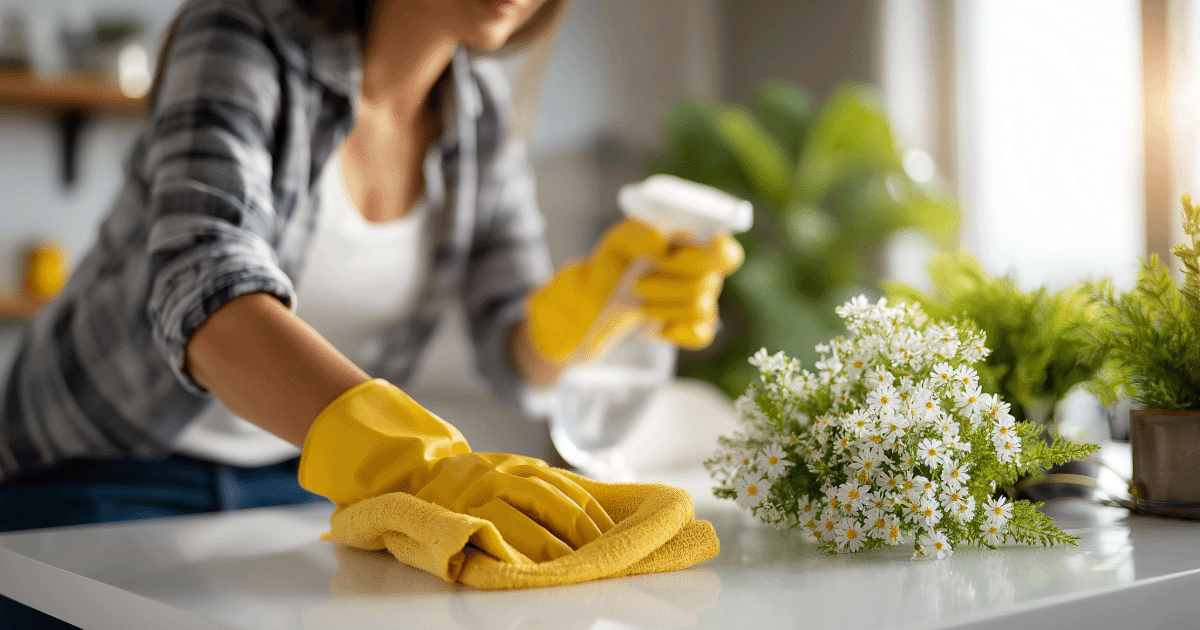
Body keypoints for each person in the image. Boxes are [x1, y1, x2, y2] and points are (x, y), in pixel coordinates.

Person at [0, 0, 742, 624]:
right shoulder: (243, 33)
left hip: (292, 485)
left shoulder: (479, 116)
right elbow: (203, 285)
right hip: (96, 468)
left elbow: (517, 356)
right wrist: (414, 466)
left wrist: (604, 297)